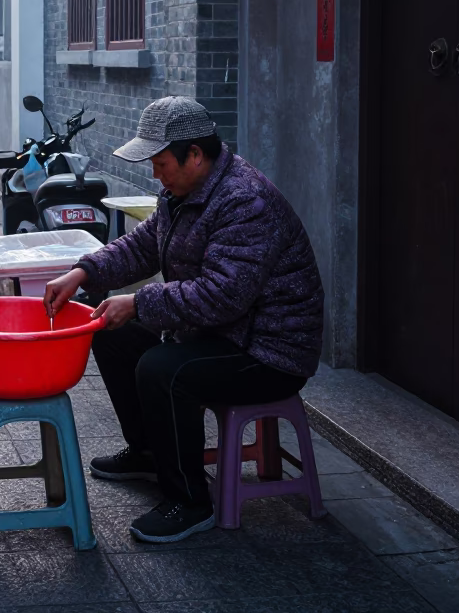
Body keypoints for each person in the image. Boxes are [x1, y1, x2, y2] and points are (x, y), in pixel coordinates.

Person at [44, 96, 324, 544]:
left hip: (267, 351)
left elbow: (223, 295)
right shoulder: (184, 192)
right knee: (111, 334)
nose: (156, 174)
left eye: (160, 163)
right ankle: (150, 452)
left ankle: (190, 502)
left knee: (163, 369)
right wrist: (83, 272)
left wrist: (137, 303)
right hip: (222, 332)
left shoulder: (243, 201)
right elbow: (141, 246)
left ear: (195, 154)